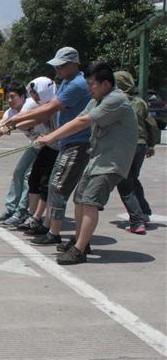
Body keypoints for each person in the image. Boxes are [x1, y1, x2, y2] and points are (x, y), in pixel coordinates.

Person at [35, 63, 137, 264]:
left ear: (106, 84)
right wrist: (51, 135)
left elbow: (84, 123)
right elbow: (78, 119)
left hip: (112, 162)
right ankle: (81, 240)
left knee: (90, 202)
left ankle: (79, 251)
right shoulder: (97, 100)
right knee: (80, 198)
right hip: (97, 159)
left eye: (92, 84)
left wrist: (51, 137)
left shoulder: (115, 100)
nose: (89, 88)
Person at [4, 46, 92, 246]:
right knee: (52, 184)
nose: (57, 70)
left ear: (73, 64)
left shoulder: (77, 84)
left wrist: (15, 121)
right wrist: (15, 121)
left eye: (61, 66)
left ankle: (54, 232)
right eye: (56, 66)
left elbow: (50, 108)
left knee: (58, 187)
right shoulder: (66, 82)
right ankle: (46, 224)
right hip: (65, 142)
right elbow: (45, 108)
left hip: (77, 142)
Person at [0, 81, 38, 226]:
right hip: (35, 144)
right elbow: (2, 122)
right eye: (7, 97)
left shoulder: (30, 104)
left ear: (22, 97)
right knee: (18, 172)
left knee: (29, 177)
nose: (9, 100)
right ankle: (11, 209)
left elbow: (13, 123)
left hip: (48, 144)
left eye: (12, 97)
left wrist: (6, 128)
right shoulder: (10, 111)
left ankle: (21, 212)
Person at [113, 71, 159, 234]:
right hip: (141, 145)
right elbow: (152, 125)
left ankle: (137, 221)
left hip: (125, 146)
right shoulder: (140, 102)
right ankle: (144, 212)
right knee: (133, 179)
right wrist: (151, 145)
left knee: (124, 183)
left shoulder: (115, 101)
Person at [15, 77, 59, 235]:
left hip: (60, 147)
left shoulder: (57, 103)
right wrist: (10, 125)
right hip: (48, 145)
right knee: (34, 178)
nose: (34, 98)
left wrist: (15, 123)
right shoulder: (39, 104)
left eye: (37, 94)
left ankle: (39, 219)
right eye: (32, 94)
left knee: (47, 184)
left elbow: (37, 118)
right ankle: (32, 216)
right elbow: (26, 119)